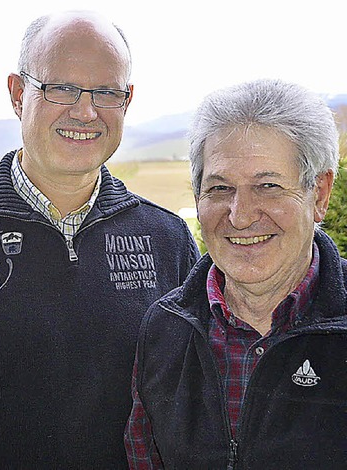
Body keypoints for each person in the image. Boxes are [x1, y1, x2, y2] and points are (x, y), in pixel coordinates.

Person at [0, 10, 199, 469]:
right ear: (17, 93)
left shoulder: (169, 241)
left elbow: (194, 416)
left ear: (127, 101)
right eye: (61, 88)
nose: (85, 112)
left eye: (106, 92)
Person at [124, 78, 347, 468]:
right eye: (220, 188)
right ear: (197, 197)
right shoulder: (166, 330)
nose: (241, 215)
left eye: (268, 185)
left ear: (320, 193)